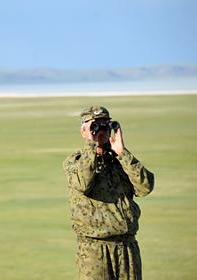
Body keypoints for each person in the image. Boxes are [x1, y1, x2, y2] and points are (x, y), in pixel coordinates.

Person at [63, 106, 154, 280]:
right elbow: (82, 183)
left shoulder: (121, 161)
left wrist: (122, 153)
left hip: (127, 246)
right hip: (94, 249)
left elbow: (145, 187)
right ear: (84, 131)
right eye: (95, 126)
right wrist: (92, 145)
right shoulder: (74, 161)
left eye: (105, 125)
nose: (101, 130)